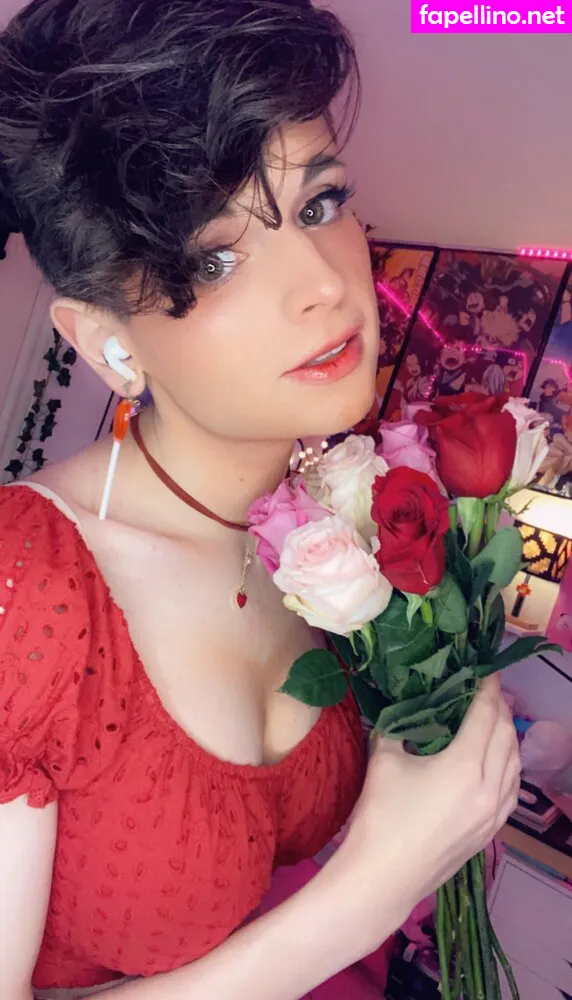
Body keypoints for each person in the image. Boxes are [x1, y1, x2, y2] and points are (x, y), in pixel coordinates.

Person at [0, 2, 521, 999]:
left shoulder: (338, 522)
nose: (323, 284)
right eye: (215, 257)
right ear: (105, 340)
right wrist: (371, 889)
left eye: (319, 204)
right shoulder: (27, 591)